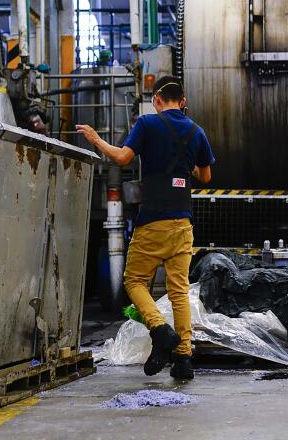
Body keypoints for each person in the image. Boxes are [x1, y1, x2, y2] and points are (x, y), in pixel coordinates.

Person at [76, 75, 214, 380]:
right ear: (183, 101)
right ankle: (184, 359)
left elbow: (123, 158)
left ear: (156, 100)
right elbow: (204, 177)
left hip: (152, 221)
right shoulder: (196, 131)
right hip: (183, 223)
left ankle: (160, 330)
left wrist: (96, 140)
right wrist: (184, 165)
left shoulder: (147, 124)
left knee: (134, 281)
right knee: (178, 290)